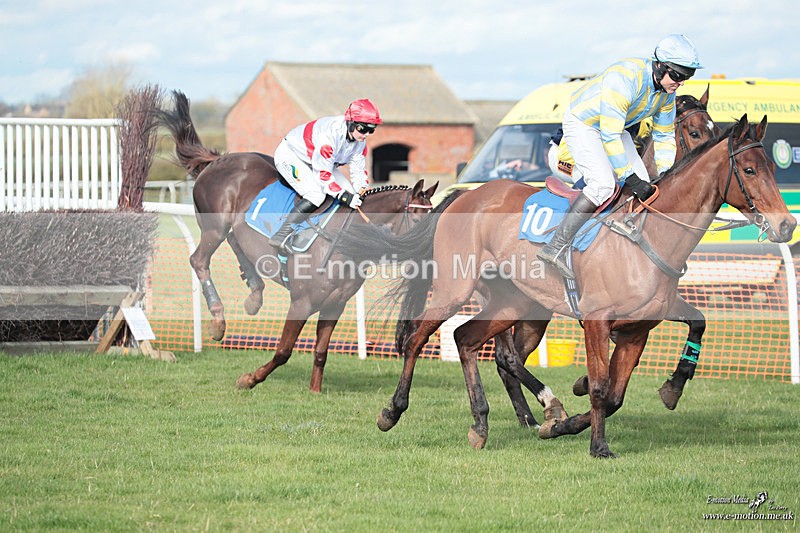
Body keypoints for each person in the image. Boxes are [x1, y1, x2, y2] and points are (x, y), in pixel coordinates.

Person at [537, 34, 703, 278]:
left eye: (686, 77)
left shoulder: (666, 95)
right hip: (584, 124)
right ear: (659, 66)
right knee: (603, 185)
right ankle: (555, 247)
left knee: (650, 185)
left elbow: (665, 136)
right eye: (677, 75)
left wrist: (666, 172)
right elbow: (610, 135)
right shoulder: (625, 78)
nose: (680, 83)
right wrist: (629, 178)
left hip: (615, 129)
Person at [268, 98, 382, 253]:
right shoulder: (329, 136)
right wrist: (345, 197)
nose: (366, 134)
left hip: (322, 161)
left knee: (352, 194)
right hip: (292, 155)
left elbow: (358, 171)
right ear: (351, 123)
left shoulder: (360, 142)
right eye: (363, 129)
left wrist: (361, 190)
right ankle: (281, 235)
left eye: (372, 130)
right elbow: (324, 176)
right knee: (316, 195)